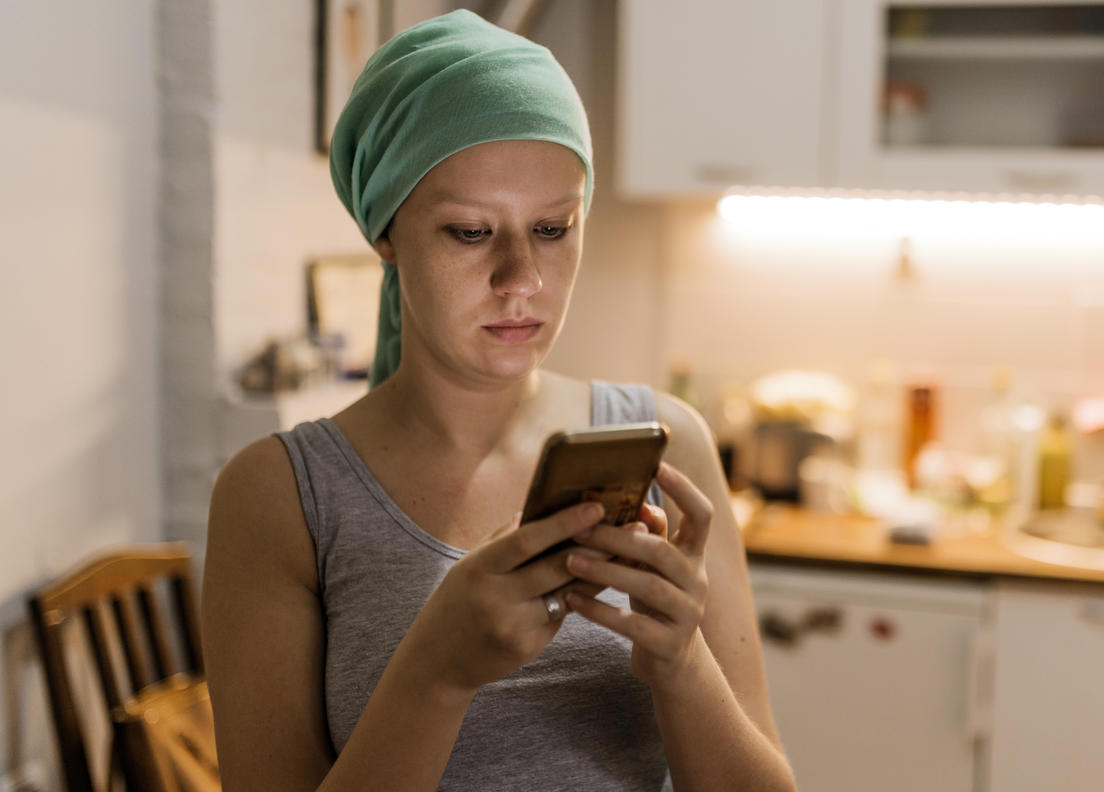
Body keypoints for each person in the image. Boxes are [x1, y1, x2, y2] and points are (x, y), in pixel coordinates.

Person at [202, 10, 796, 792]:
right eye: (471, 232)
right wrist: (437, 674)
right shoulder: (281, 496)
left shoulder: (665, 445)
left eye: (553, 228)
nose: (522, 278)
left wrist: (683, 664)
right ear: (386, 232)